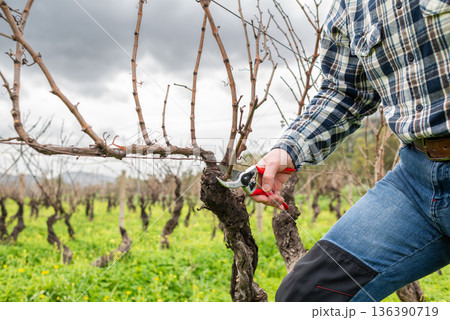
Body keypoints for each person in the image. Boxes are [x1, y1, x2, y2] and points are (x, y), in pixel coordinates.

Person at [252, 0, 450, 302]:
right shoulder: (350, 7)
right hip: (417, 180)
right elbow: (345, 92)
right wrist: (288, 150)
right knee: (307, 296)